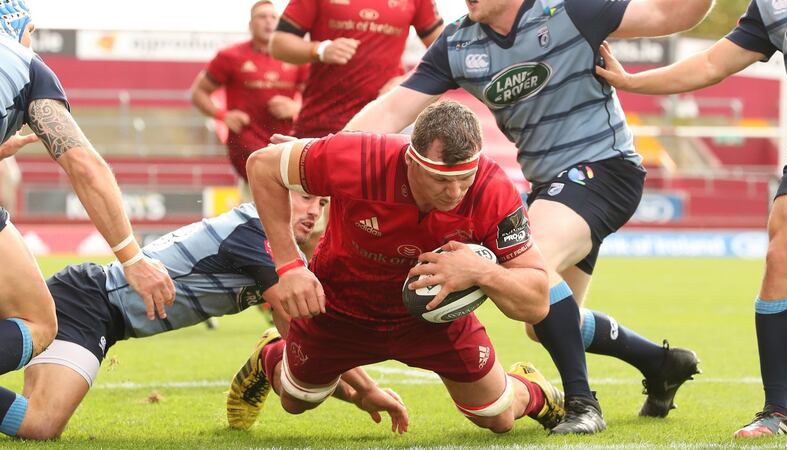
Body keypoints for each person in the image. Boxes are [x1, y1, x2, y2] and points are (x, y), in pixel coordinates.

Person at [343, 0, 715, 434]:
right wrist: (326, 149)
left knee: (526, 267)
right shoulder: (459, 42)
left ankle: (582, 403)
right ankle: (661, 362)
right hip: (551, 185)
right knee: (544, 322)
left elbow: (674, 15)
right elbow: (392, 110)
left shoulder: (572, 12)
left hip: (606, 168)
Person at [230, 100, 564, 436]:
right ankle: (270, 352)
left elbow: (536, 304)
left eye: (465, 178)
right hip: (339, 308)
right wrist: (289, 266)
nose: (454, 192)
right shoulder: (361, 157)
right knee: (298, 399)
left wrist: (482, 271)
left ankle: (534, 389)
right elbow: (262, 165)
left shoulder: (493, 189)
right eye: (440, 179)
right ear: (410, 160)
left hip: (431, 319)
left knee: (497, 417)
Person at [594, 2, 787, 437]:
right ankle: (776, 413)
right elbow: (711, 63)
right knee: (783, 255)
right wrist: (633, 81)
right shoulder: (772, 5)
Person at [2, 194, 361, 440]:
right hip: (87, 301)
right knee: (42, 423)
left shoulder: (273, 244)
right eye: (304, 197)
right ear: (275, 190)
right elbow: (302, 336)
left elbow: (303, 339)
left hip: (98, 315)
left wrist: (358, 389)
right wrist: (364, 392)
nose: (314, 211)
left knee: (38, 423)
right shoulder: (256, 231)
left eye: (323, 202)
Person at [0, 0, 175, 437]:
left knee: (39, 426)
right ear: (21, 26)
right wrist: (132, 258)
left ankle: (29, 422)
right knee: (40, 323)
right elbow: (85, 167)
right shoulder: (26, 65)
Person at [269, 0, 444, 138]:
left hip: (386, 124)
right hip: (322, 121)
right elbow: (278, 44)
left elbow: (446, 52)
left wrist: (408, 80)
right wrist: (319, 50)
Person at [190, 0, 307, 185]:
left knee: (290, 196)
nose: (268, 21)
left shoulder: (296, 56)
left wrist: (295, 107)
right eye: (262, 17)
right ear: (251, 25)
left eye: (273, 17)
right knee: (263, 193)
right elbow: (198, 93)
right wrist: (223, 115)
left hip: (284, 142)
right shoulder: (230, 56)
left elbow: (316, 98)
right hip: (245, 143)